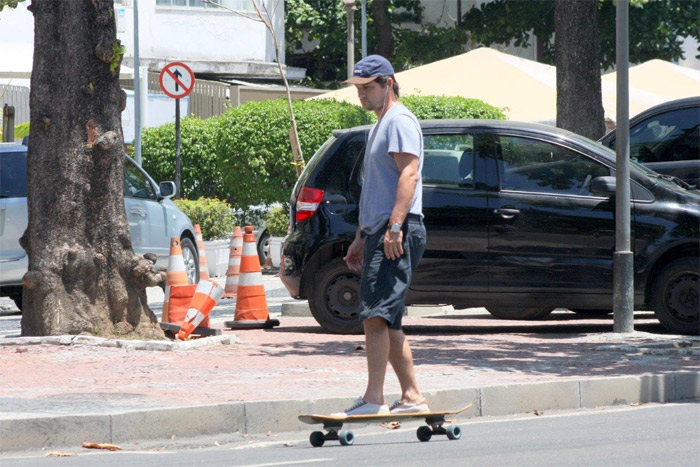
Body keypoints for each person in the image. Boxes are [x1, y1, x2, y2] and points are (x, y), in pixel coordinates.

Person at [336, 55, 428, 416]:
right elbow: (377, 187)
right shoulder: (382, 123)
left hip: (399, 231)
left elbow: (409, 176)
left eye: (367, 87)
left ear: (388, 83)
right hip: (381, 231)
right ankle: (412, 397)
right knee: (386, 318)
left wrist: (393, 228)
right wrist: (361, 236)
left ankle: (374, 398)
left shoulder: (400, 120)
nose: (361, 94)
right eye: (357, 87)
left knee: (374, 316)